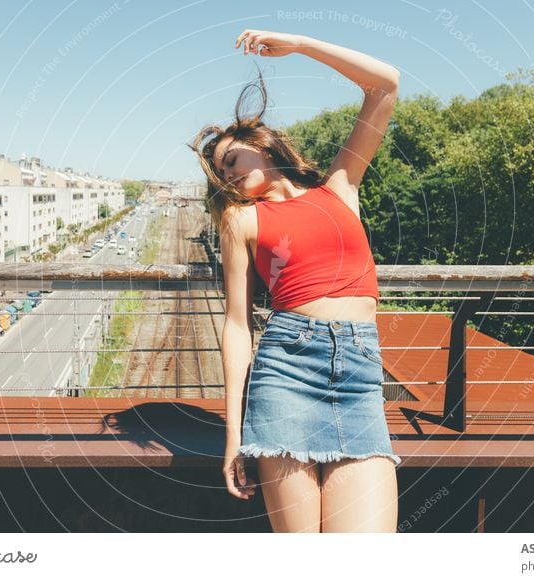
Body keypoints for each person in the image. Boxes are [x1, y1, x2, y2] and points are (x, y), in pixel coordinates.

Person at [189, 30, 401, 533]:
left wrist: (302, 45)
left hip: (360, 375)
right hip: (286, 371)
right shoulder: (241, 221)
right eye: (220, 174)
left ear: (262, 146)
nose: (229, 177)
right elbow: (237, 327)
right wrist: (234, 437)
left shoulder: (340, 187)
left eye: (232, 161)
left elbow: (386, 85)